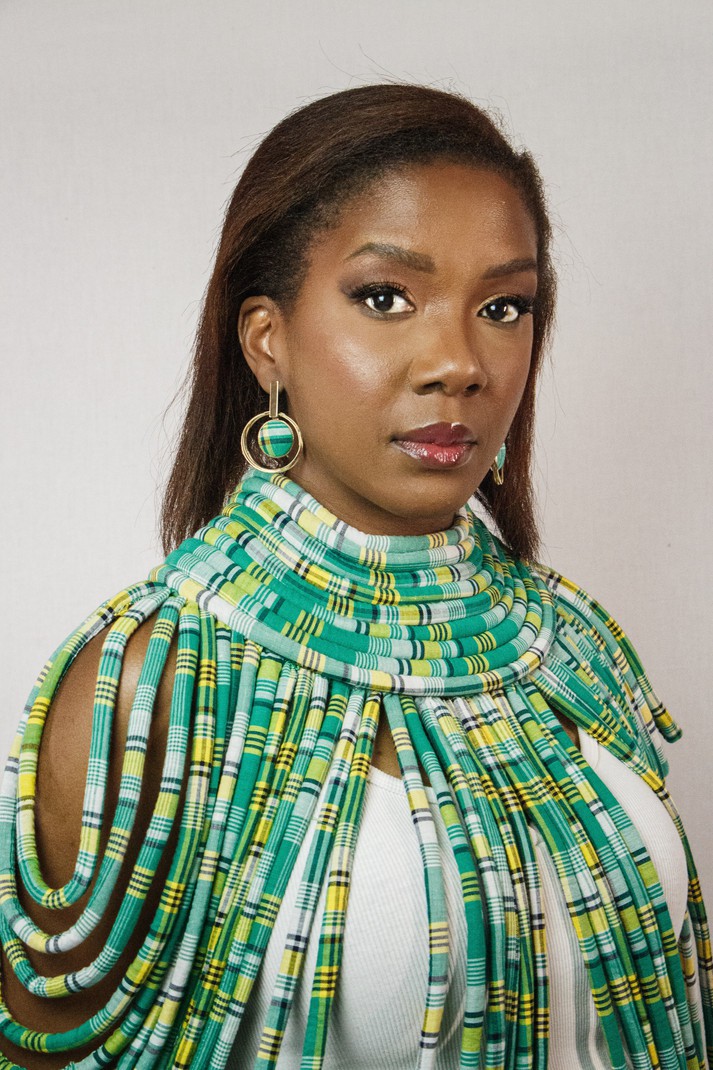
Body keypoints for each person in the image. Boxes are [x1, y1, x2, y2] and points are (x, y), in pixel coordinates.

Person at [0, 82, 710, 1070]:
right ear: (267, 340)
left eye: (502, 306)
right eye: (385, 298)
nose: (459, 362)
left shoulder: (573, 648)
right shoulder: (155, 682)